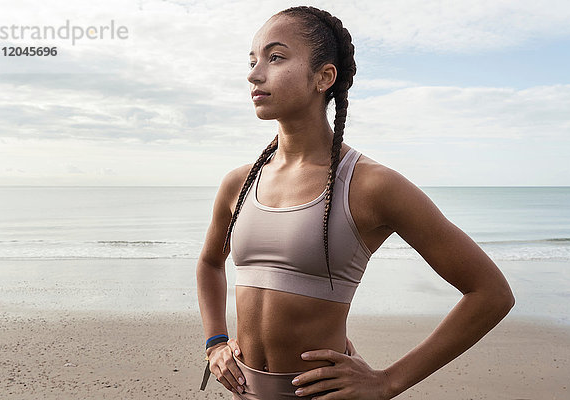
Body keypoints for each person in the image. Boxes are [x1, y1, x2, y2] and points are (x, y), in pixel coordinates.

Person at [196, 5, 515, 399]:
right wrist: (215, 341)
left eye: (275, 57)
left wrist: (388, 381)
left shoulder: (370, 186)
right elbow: (210, 263)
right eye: (252, 60)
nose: (254, 73)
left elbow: (491, 292)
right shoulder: (239, 184)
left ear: (324, 77)